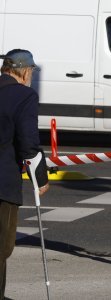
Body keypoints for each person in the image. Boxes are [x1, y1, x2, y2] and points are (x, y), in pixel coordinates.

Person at [0, 49, 49, 299]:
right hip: (3, 183)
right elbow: (28, 143)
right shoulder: (24, 96)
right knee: (2, 247)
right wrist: (39, 178)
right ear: (25, 71)